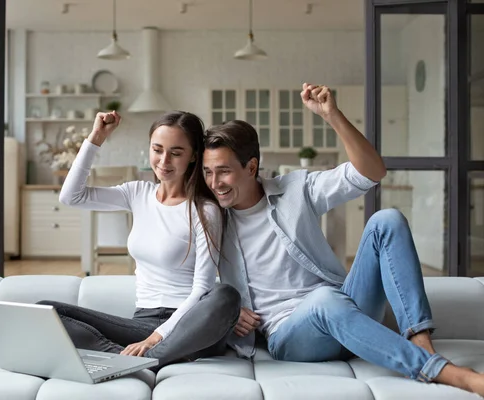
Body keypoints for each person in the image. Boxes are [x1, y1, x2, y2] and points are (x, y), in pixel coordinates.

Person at [201, 83, 484, 395]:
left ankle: (421, 343)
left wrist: (332, 116)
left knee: (386, 220)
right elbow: (181, 276)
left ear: (251, 166)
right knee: (324, 301)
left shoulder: (296, 190)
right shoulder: (209, 216)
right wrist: (227, 307)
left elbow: (372, 172)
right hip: (289, 335)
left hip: (343, 307)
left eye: (223, 172)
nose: (215, 183)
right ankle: (446, 373)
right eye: (208, 172)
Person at [38, 110, 240, 370]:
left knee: (225, 295)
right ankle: (134, 360)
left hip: (189, 326)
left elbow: (202, 288)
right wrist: (96, 138)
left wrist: (157, 338)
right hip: (141, 322)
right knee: (47, 310)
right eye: (157, 150)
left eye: (176, 153)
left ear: (193, 157)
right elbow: (71, 197)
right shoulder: (137, 193)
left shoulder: (205, 210)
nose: (164, 160)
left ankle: (143, 359)